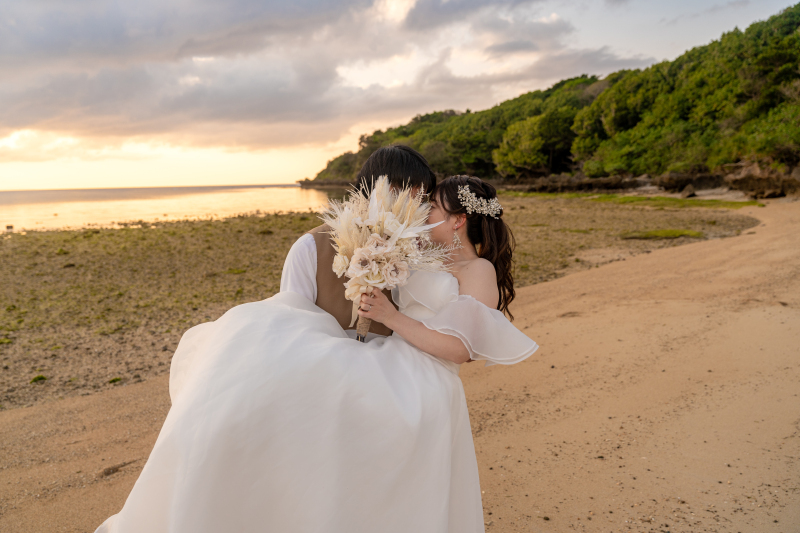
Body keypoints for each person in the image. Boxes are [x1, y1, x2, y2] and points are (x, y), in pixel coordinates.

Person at [94, 174, 537, 533]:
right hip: (395, 353)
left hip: (423, 373)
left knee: (315, 385)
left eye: (434, 210)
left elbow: (460, 349)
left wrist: (392, 317)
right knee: (271, 341)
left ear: (459, 220)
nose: (423, 216)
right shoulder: (429, 259)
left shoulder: (477, 270)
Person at [280, 144, 437, 340]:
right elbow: (292, 323)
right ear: (388, 189)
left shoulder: (417, 252)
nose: (418, 209)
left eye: (422, 200)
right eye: (414, 197)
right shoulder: (309, 247)